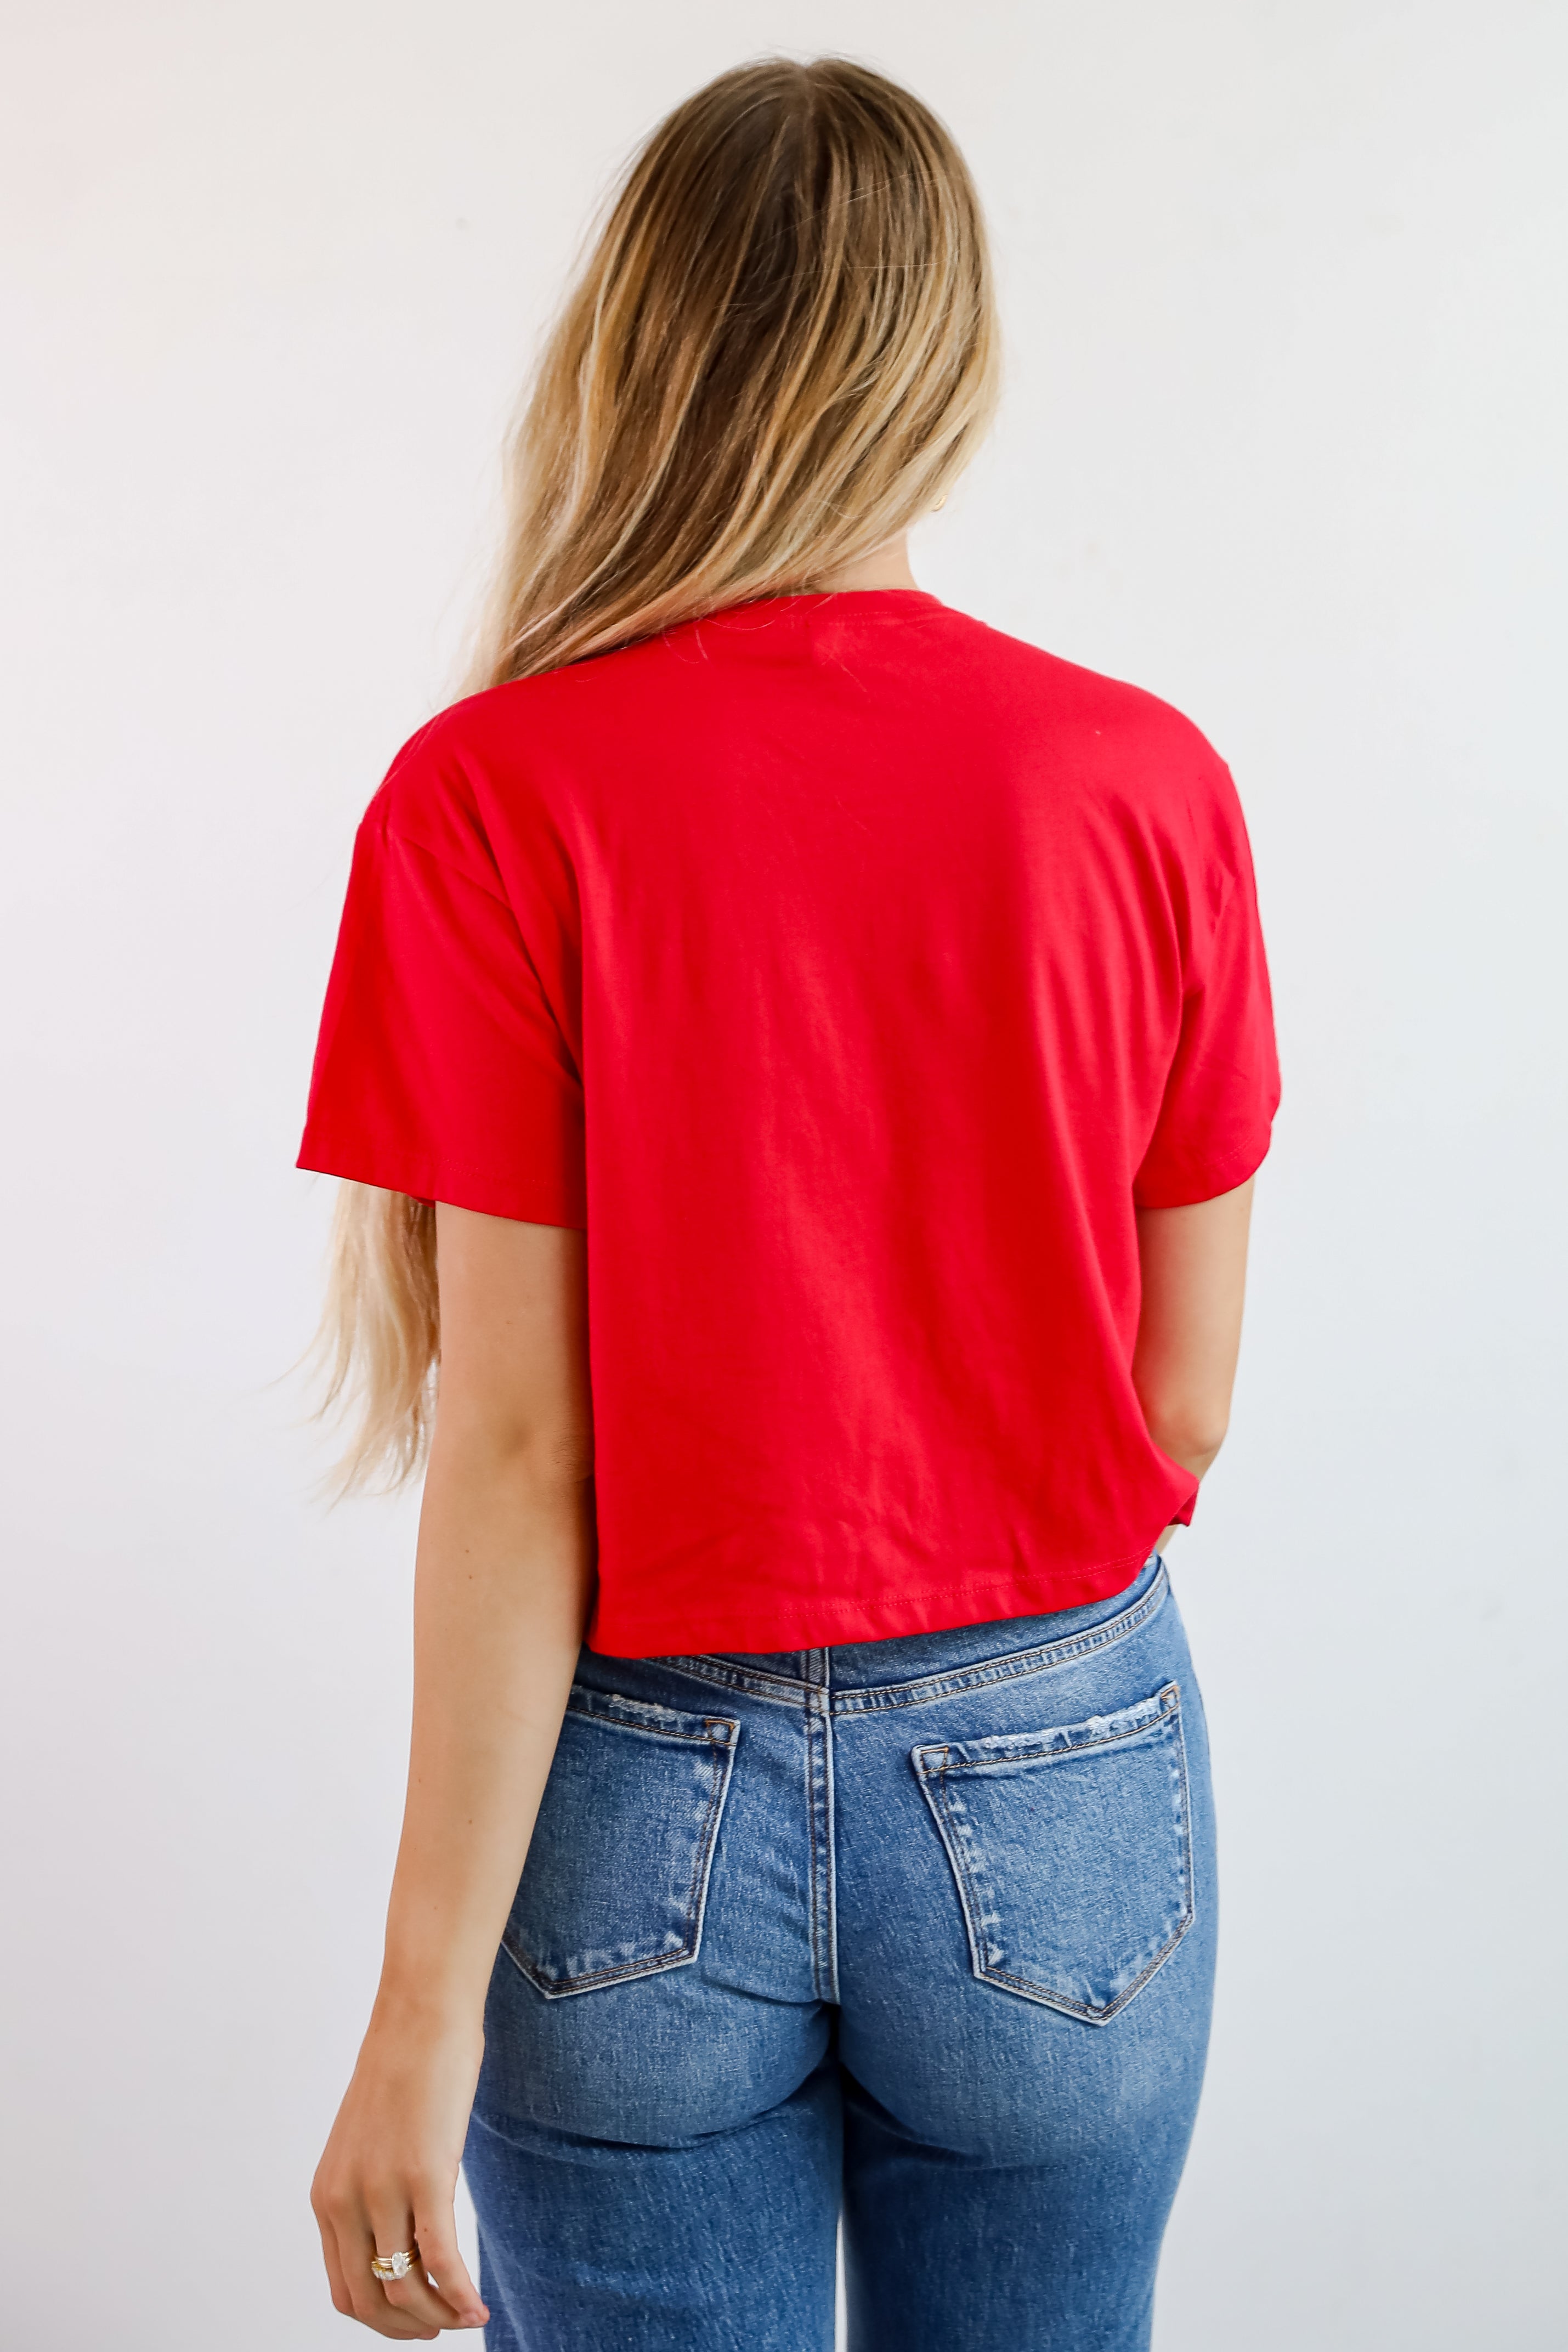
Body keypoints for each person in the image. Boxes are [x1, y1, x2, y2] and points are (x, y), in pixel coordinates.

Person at [300, 55, 1278, 2352]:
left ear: (639, 346)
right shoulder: (1142, 785)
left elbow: (517, 1451)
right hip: (1063, 1777)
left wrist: (412, 2025)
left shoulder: (488, 802)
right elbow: (1192, 1393)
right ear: (944, 358)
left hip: (639, 1798)